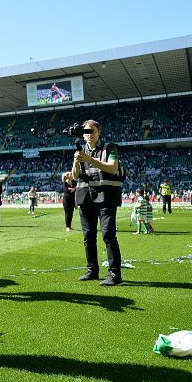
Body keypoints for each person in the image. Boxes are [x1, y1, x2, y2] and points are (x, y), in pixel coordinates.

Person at [73, 120, 123, 286]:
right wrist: (76, 161)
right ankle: (92, 270)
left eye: (91, 131)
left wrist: (88, 158)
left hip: (106, 196)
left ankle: (115, 274)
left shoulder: (110, 148)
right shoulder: (81, 150)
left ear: (99, 132)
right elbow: (75, 176)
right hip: (86, 197)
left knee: (108, 235)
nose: (88, 134)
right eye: (86, 132)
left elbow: (113, 168)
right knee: (88, 236)